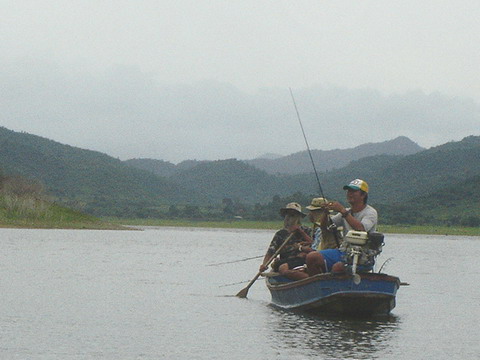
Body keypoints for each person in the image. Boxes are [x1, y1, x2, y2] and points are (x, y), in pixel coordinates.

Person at [306, 179, 378, 275]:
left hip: (363, 256)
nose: (349, 194)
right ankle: (317, 285)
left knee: (338, 267)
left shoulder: (370, 213)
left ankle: (332, 284)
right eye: (348, 191)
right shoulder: (347, 212)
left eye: (353, 191)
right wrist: (325, 213)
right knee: (312, 257)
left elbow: (361, 228)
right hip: (344, 252)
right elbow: (325, 227)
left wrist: (342, 211)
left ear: (363, 195)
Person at [259, 202, 313, 281]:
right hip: (286, 261)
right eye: (288, 215)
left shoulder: (307, 230)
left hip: (302, 260)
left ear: (298, 217)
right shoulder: (280, 234)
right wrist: (264, 265)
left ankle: (309, 279)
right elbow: (271, 252)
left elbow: (313, 244)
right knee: (280, 266)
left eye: (293, 215)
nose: (289, 218)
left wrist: (301, 232)